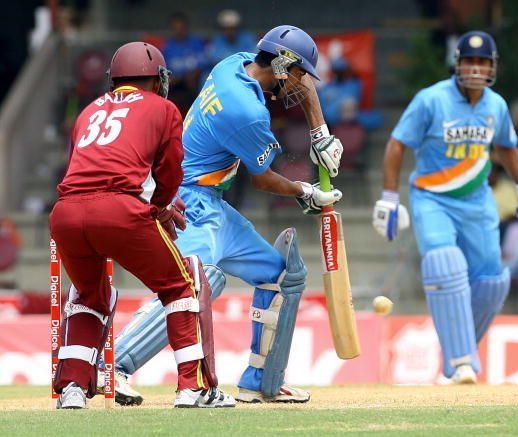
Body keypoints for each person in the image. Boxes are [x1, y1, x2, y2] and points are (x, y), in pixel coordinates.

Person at [102, 25, 343, 405]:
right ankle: (113, 365)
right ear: (281, 65)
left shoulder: (235, 63)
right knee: (196, 283)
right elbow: (263, 180)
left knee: (283, 276)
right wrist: (307, 192)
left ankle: (261, 381)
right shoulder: (246, 112)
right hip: (188, 203)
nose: (301, 85)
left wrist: (320, 134)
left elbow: (302, 86)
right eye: (298, 74)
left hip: (211, 202)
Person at [49, 42, 234, 409]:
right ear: (157, 78)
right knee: (180, 286)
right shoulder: (163, 108)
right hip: (118, 210)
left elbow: (83, 166)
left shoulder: (89, 111)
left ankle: (71, 388)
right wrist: (162, 204)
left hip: (66, 213)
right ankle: (192, 388)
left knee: (89, 297)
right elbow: (170, 170)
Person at [372, 31, 518, 384]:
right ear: (458, 64)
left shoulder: (496, 105)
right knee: (444, 264)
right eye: (470, 61)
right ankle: (463, 361)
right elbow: (396, 145)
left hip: (478, 200)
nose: (476, 69)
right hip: (433, 198)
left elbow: (507, 148)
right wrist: (389, 196)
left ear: (492, 66)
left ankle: (455, 360)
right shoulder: (430, 100)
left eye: (483, 62)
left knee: (493, 283)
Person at [162, 12, 208, 114]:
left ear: (186, 27)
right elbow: (164, 70)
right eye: (175, 28)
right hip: (175, 83)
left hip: (193, 82)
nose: (179, 31)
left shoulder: (196, 42)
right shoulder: (168, 47)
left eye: (181, 27)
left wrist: (194, 74)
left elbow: (204, 63)